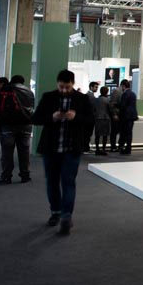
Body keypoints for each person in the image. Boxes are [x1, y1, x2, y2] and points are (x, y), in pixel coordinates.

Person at [31, 69, 93, 235]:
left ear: (73, 84)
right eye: (61, 87)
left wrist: (76, 117)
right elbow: (35, 118)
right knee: (52, 182)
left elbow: (90, 119)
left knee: (68, 182)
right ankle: (55, 212)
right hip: (51, 148)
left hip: (72, 149)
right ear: (57, 84)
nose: (64, 90)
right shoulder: (48, 97)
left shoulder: (82, 99)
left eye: (67, 87)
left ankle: (66, 216)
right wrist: (52, 117)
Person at [0, 75, 35, 184]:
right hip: (26, 124)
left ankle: (6, 176)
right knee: (24, 152)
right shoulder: (29, 91)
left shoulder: (6, 89)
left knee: (7, 152)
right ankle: (25, 175)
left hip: (8, 124)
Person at [117, 79, 138, 155]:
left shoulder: (125, 94)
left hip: (126, 116)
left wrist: (116, 106)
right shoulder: (133, 94)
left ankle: (126, 148)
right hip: (132, 116)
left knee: (125, 132)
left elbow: (123, 106)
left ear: (123, 86)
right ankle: (128, 147)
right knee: (129, 133)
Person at [92, 86, 112, 155]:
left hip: (97, 118)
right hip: (106, 118)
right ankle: (103, 149)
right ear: (106, 92)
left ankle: (97, 149)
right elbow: (110, 109)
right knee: (105, 135)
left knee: (97, 135)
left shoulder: (96, 100)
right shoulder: (108, 100)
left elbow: (94, 109)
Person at [83, 82, 99, 153]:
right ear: (91, 87)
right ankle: (85, 148)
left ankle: (86, 147)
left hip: (89, 117)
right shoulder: (89, 95)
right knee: (87, 133)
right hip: (89, 118)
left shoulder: (90, 95)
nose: (96, 88)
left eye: (97, 87)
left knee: (88, 133)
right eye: (95, 87)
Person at [109, 83, 123, 152]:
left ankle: (117, 146)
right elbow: (112, 103)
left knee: (118, 131)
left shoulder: (120, 91)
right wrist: (114, 114)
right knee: (114, 131)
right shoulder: (117, 91)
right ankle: (113, 147)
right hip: (117, 114)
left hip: (120, 114)